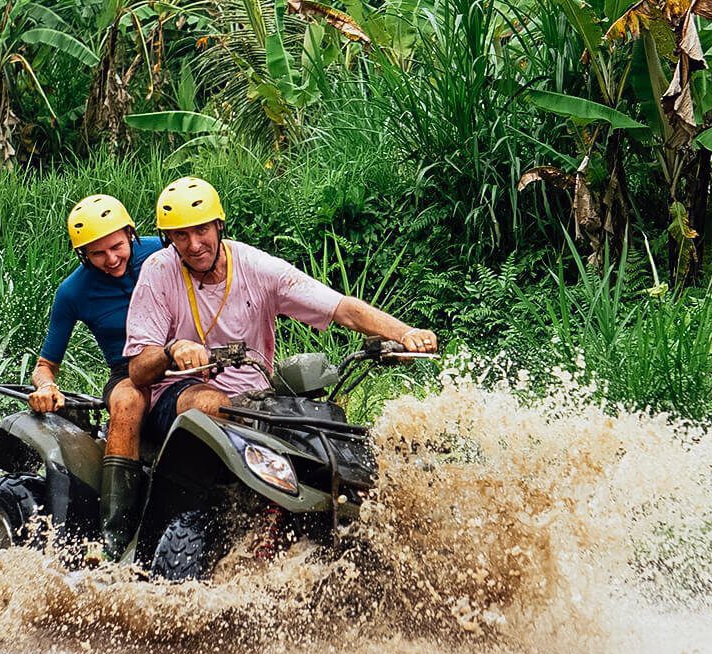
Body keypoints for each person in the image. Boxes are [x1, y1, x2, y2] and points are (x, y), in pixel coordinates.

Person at [119, 177, 437, 552]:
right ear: (168, 238)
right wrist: (172, 349)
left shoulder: (256, 267)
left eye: (201, 230)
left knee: (325, 428)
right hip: (179, 395)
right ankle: (153, 529)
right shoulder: (158, 271)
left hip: (256, 402)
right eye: (180, 235)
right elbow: (138, 369)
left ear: (219, 225)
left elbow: (342, 308)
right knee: (210, 405)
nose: (193, 244)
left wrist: (405, 333)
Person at [28, 194, 160, 558]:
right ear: (83, 254)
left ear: (131, 234)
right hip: (127, 373)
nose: (111, 259)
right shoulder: (73, 291)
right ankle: (113, 539)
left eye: (117, 246)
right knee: (126, 400)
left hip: (182, 360)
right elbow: (45, 364)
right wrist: (47, 387)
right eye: (97, 254)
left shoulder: (162, 251)